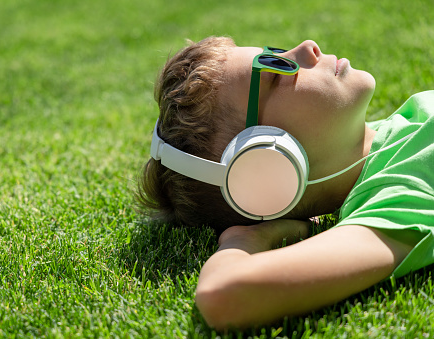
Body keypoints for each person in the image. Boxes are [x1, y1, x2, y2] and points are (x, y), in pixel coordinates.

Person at [137, 36, 434, 329]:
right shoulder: (401, 186)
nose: (307, 46)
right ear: (266, 163)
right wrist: (244, 241)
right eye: (275, 75)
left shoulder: (400, 128)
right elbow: (225, 295)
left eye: (277, 53)